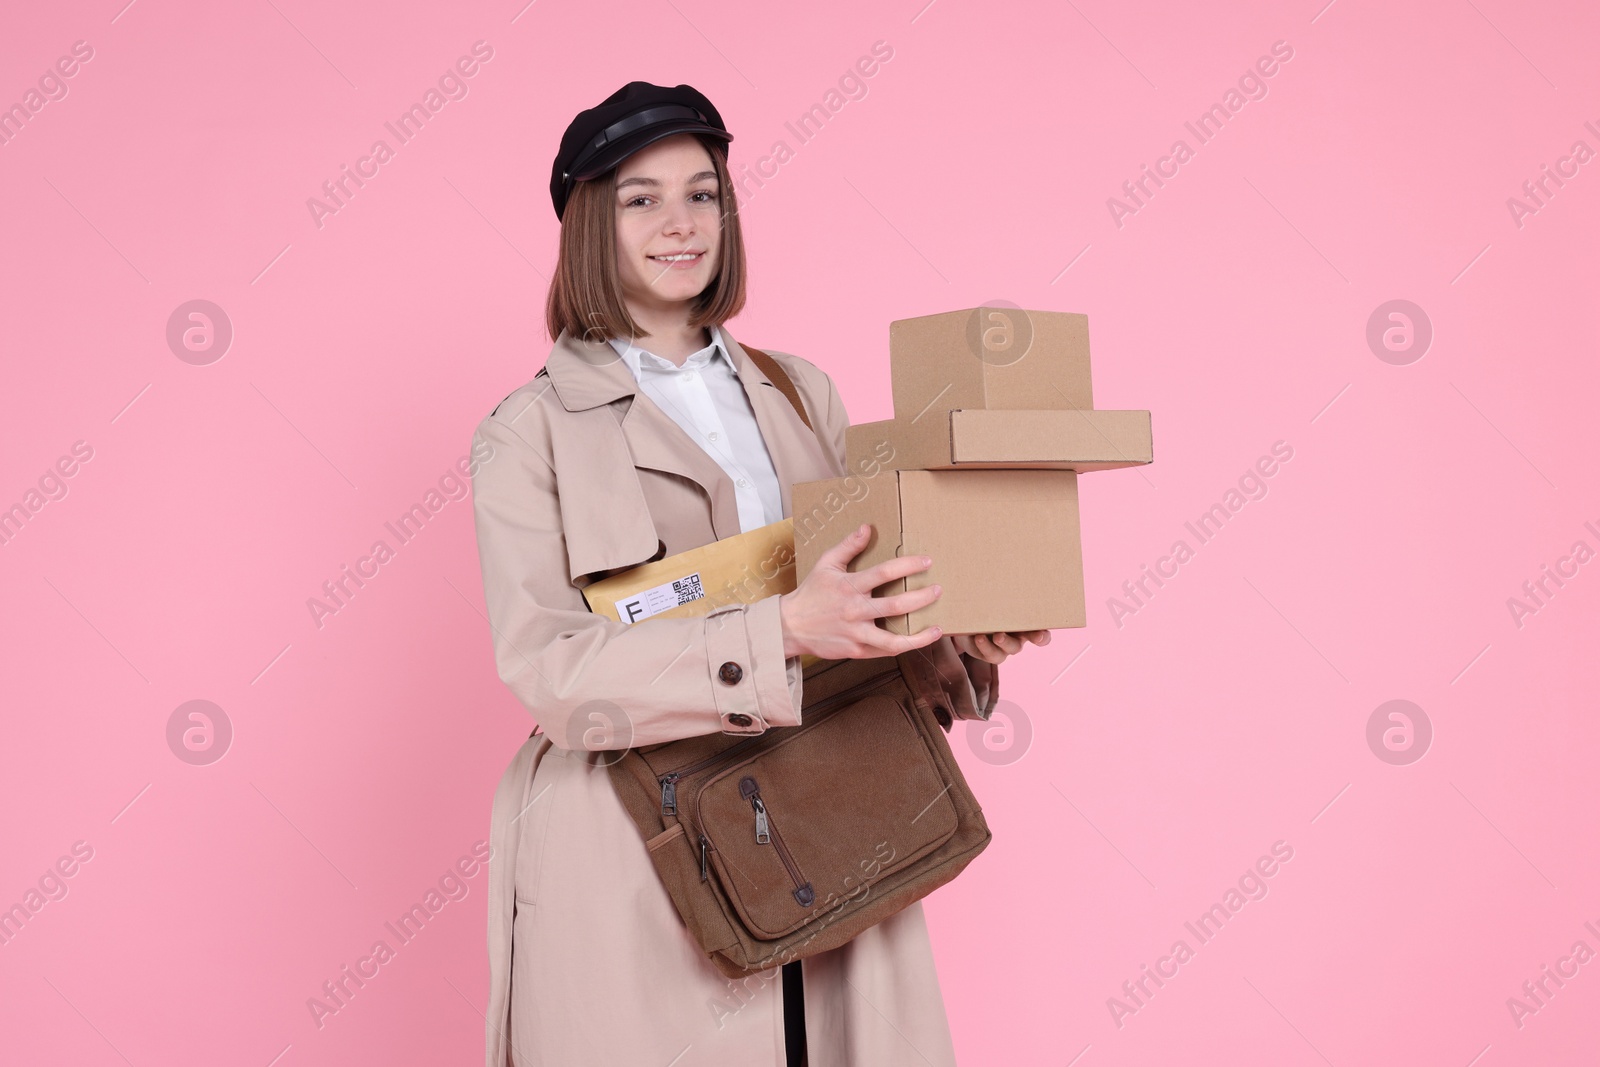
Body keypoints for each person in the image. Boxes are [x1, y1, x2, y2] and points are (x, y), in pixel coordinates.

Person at [470, 80, 1049, 1067]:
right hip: (631, 842)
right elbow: (553, 674)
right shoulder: (528, 432)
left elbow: (855, 608)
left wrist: (953, 635)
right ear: (584, 224)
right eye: (640, 198)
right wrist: (779, 629)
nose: (680, 222)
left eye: (703, 192)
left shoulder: (799, 389)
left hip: (829, 809)